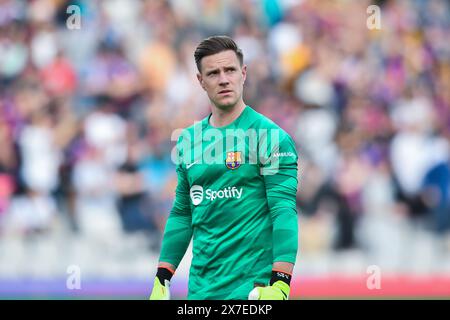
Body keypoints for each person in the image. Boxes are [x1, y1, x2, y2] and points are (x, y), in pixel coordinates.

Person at [149, 35, 299, 300]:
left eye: (230, 70)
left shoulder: (271, 138)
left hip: (252, 291)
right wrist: (162, 278)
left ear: (243, 73)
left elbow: (283, 211)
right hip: (200, 292)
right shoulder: (187, 141)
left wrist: (281, 283)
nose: (223, 79)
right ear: (201, 81)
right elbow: (183, 213)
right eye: (213, 73)